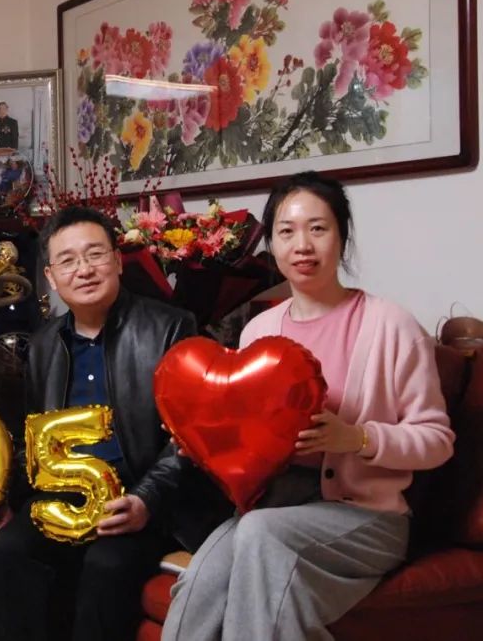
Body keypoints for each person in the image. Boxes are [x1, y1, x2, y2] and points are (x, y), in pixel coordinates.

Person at [161, 171, 455, 641]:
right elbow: (247, 438)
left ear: (342, 236)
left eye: (318, 228)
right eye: (286, 231)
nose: (302, 245)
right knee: (199, 588)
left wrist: (356, 438)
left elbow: (437, 441)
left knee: (259, 535)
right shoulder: (259, 331)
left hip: (366, 517)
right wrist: (204, 444)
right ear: (272, 245)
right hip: (273, 506)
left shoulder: (391, 326)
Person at [0, 206, 226, 641]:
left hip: (145, 503)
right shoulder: (42, 345)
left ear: (117, 261)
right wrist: (5, 498)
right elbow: (31, 437)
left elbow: (190, 438)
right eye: (68, 261)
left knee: (106, 563)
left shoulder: (171, 329)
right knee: (9, 549)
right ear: (51, 276)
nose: (84, 270)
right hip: (66, 499)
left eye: (95, 254)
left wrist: (145, 500)